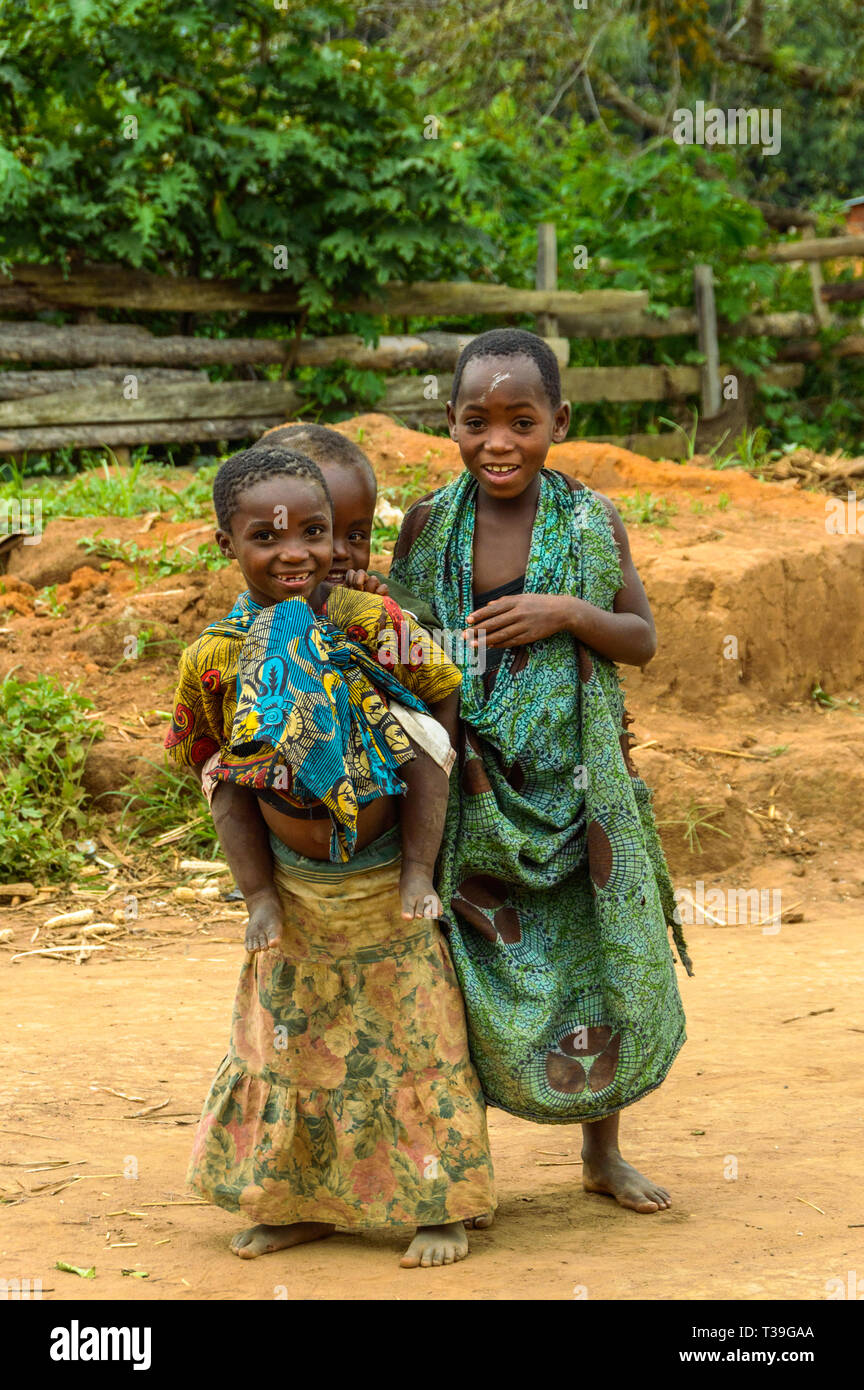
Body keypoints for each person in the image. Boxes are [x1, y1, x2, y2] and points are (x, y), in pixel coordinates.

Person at [164, 444, 495, 1266]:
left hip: (388, 880)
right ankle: (294, 1201)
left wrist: (422, 847)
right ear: (226, 545)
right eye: (267, 537)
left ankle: (439, 1205)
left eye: (314, 532)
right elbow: (210, 769)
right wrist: (259, 892)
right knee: (291, 1048)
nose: (296, 553)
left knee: (417, 1044)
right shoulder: (213, 656)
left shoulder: (369, 623)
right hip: (296, 889)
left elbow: (442, 695)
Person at [390, 327, 692, 1216]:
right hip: (469, 792)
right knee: (468, 981)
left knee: (607, 963)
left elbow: (640, 640)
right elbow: (400, 647)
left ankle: (603, 1154)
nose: (499, 443)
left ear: (558, 420)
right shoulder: (426, 525)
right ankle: (465, 1170)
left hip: (579, 794)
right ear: (449, 421)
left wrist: (567, 612)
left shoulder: (594, 521)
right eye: (477, 421)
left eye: (522, 421)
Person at [259, 422, 439, 628]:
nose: (341, 552)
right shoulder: (250, 617)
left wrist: (384, 618)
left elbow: (442, 650)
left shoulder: (379, 594)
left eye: (355, 536)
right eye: (315, 532)